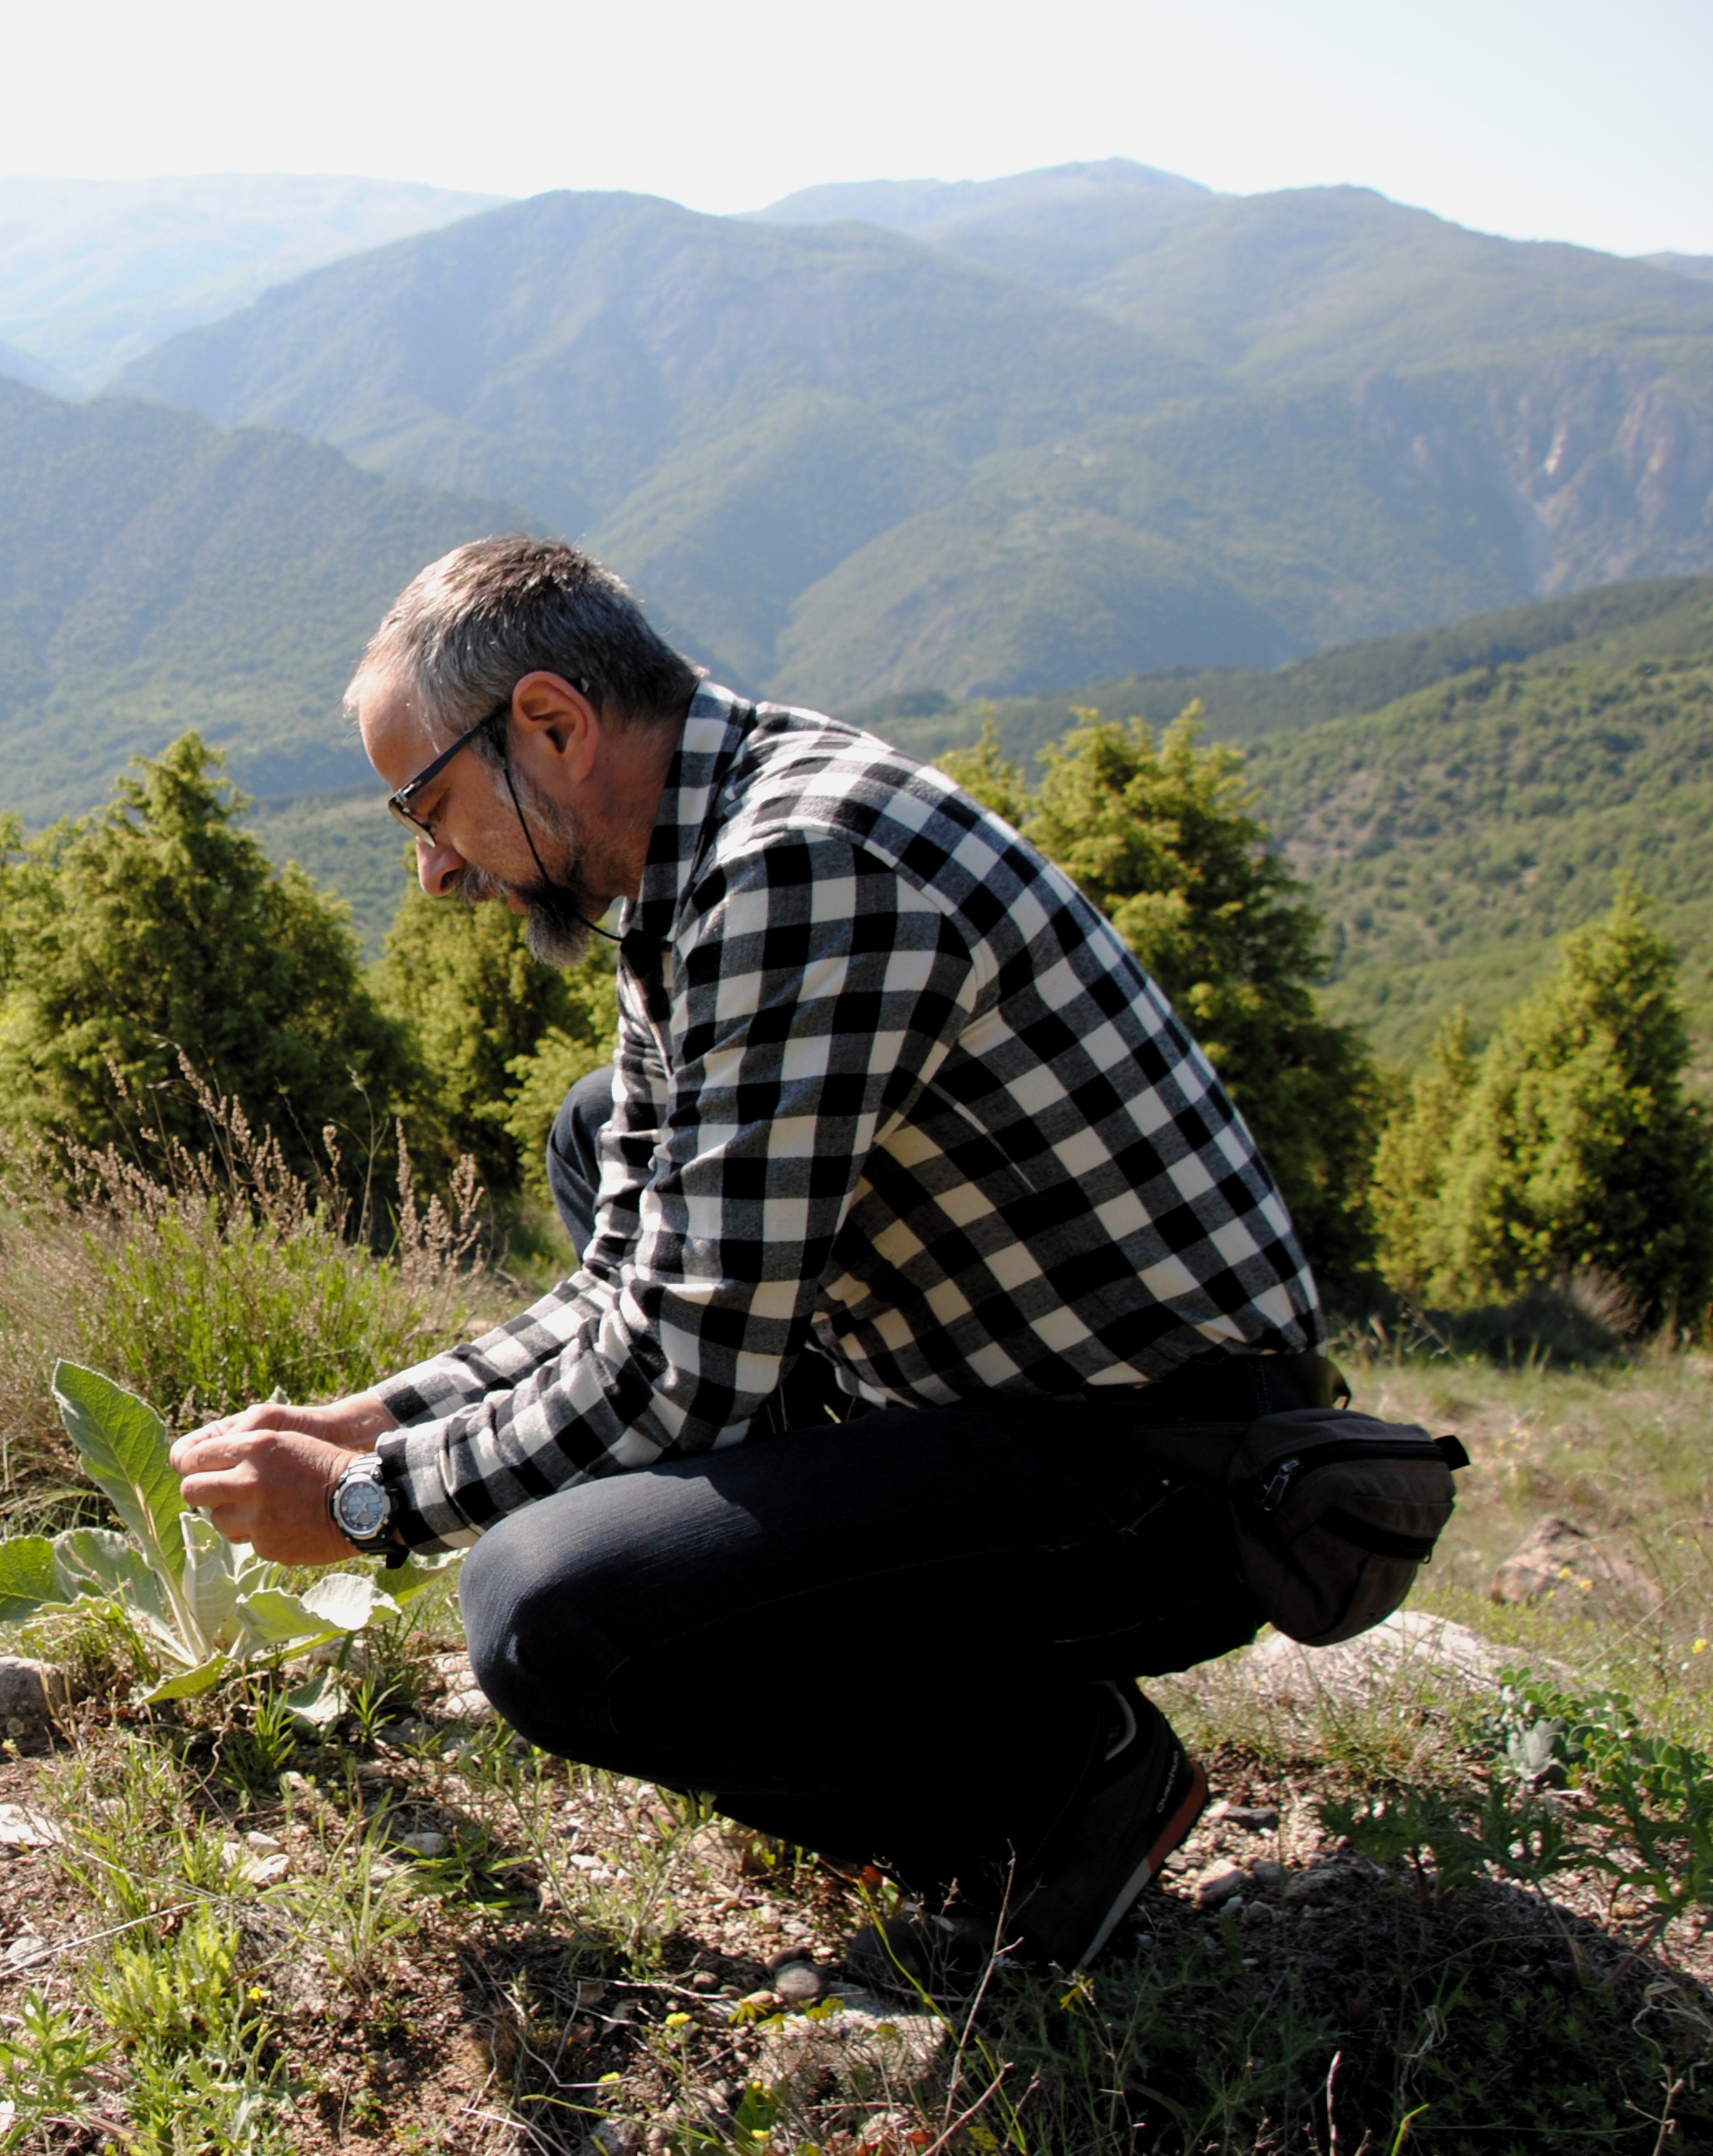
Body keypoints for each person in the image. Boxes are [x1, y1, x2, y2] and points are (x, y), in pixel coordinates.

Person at [170, 534, 1329, 1974]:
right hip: (1010, 1406)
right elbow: (627, 1285)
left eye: (433, 805)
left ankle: (1059, 1794)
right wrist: (377, 1419)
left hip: (1178, 1478)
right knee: (602, 1133)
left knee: (551, 1613)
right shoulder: (703, 859)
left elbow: (679, 1370)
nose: (433, 872)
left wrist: (363, 1506)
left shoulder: (801, 870)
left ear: (552, 723)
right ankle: (975, 1727)